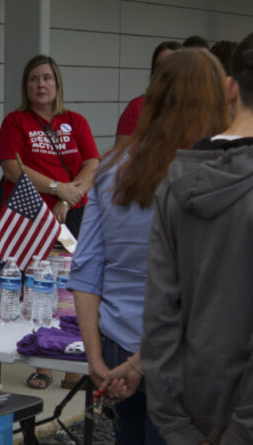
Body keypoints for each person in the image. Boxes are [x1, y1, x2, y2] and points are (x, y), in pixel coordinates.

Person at [68, 48, 230, 445]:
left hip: (117, 344)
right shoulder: (221, 174)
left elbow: (86, 269)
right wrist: (138, 364)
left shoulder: (111, 169)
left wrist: (98, 361)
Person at [141, 33, 253, 444]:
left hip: (191, 415)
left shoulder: (174, 184)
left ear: (230, 88)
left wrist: (173, 424)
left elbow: (160, 315)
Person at [0, 54, 101, 389]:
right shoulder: (16, 122)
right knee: (38, 289)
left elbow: (92, 162)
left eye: (47, 78)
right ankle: (41, 364)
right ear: (26, 86)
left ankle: (71, 364)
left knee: (71, 289)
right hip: (32, 216)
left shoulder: (76, 121)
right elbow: (13, 168)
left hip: (74, 213)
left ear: (57, 84)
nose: (41, 84)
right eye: (34, 79)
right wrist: (57, 189)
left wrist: (69, 197)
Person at [115, 41, 182, 145]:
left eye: (171, 65)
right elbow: (120, 156)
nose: (164, 71)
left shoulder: (198, 109)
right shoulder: (138, 107)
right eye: (159, 66)